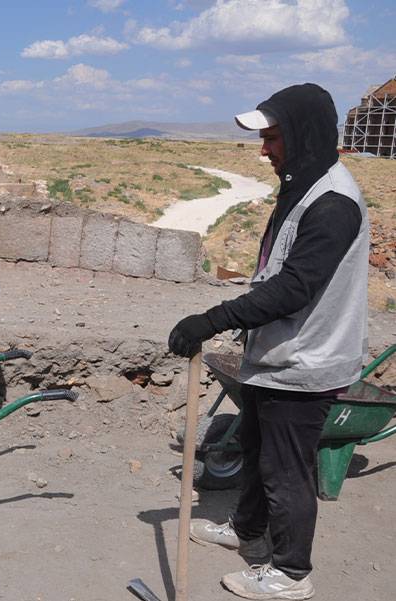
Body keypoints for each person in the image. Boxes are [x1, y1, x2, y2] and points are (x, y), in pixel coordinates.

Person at [168, 83, 369, 600]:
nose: (264, 149)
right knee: (259, 451)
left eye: (274, 137)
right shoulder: (303, 186)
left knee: (286, 473)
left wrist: (213, 318)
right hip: (276, 354)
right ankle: (246, 529)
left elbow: (295, 287)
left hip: (305, 362)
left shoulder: (332, 203)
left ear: (304, 135)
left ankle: (290, 574)